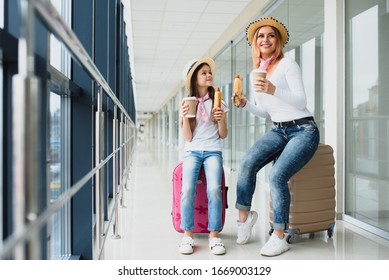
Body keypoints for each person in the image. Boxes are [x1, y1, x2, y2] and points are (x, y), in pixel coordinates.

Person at [232, 17, 320, 257]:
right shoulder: (255, 73)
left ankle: (279, 236)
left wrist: (274, 89)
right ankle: (244, 218)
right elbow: (265, 111)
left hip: (304, 130)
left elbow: (301, 102)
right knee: (247, 163)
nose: (265, 39)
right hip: (278, 129)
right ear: (255, 43)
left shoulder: (288, 65)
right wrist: (245, 104)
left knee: (277, 175)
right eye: (260, 36)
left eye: (271, 35)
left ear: (278, 41)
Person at [179, 57, 229, 255]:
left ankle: (214, 236)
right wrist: (184, 117)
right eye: (204, 73)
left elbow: (223, 135)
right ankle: (187, 234)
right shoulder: (186, 103)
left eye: (210, 72)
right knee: (187, 189)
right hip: (192, 150)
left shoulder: (219, 102)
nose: (209, 75)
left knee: (215, 189)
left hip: (213, 151)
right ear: (195, 79)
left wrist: (222, 120)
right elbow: (188, 137)